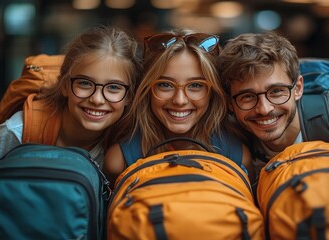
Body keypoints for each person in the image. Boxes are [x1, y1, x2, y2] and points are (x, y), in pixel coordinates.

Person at [217, 31, 329, 193]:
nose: (264, 109)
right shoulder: (232, 140)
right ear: (230, 103)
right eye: (247, 96)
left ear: (298, 88)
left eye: (276, 91)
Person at [0, 25, 142, 175]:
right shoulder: (18, 132)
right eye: (84, 83)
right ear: (64, 86)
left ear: (129, 96)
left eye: (114, 87)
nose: (97, 99)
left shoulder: (126, 146)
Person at [104, 29, 256, 186]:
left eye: (196, 85)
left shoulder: (237, 157)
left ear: (213, 92)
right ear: (147, 90)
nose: (180, 100)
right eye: (165, 85)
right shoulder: (119, 160)